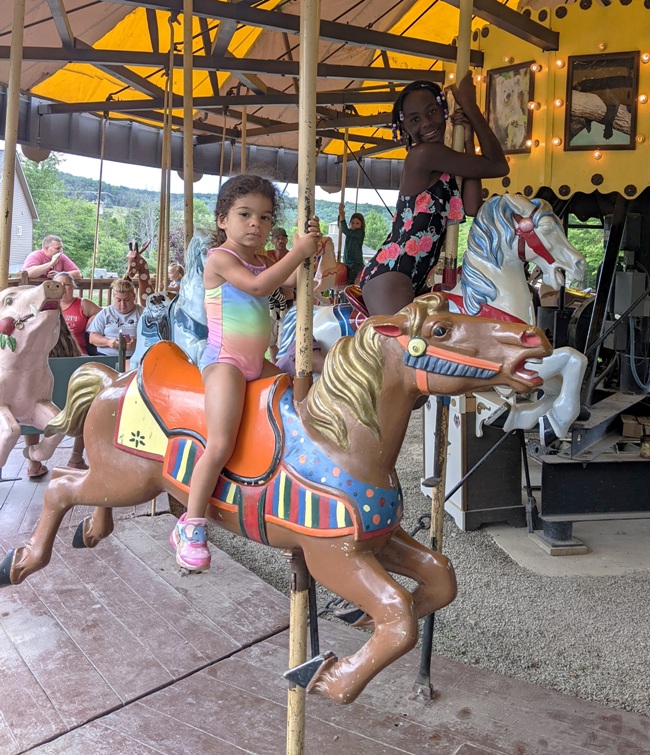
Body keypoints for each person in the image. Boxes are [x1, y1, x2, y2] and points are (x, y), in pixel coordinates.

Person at [170, 174, 321, 572]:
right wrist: (299, 251)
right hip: (226, 362)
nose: (257, 224)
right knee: (219, 443)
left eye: (266, 217)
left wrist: (314, 252)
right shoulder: (220, 258)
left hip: (258, 361)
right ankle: (192, 523)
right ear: (222, 220)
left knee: (297, 405)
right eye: (245, 214)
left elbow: (289, 284)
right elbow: (257, 288)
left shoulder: (264, 260)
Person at [359, 73, 509, 316]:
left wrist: (469, 137)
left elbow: (472, 207)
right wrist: (471, 107)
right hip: (392, 274)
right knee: (403, 353)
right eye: (415, 119)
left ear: (444, 111)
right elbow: (498, 166)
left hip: (412, 277)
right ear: (404, 127)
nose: (427, 124)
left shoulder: (442, 162)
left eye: (432, 112)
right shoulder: (424, 155)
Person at [24, 313, 88, 477]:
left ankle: (33, 463)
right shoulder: (73, 352)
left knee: (31, 403)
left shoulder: (30, 356)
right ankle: (76, 457)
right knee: (84, 403)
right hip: (71, 409)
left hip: (40, 409)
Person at [87, 277, 143, 358]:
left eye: (126, 300)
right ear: (114, 298)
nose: (123, 304)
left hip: (135, 357)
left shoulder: (143, 313)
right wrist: (108, 342)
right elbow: (92, 338)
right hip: (106, 356)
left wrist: (137, 343)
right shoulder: (105, 313)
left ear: (134, 297)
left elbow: (153, 338)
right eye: (119, 300)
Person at [53, 272, 101, 354]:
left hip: (77, 351)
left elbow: (105, 314)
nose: (62, 287)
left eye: (66, 284)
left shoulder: (83, 304)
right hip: (54, 352)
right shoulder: (48, 305)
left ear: (73, 287)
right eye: (58, 285)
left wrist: (93, 319)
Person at [338, 207, 366, 285]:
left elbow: (345, 230)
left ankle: (350, 288)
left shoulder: (360, 233)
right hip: (347, 260)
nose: (354, 225)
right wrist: (340, 216)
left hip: (355, 262)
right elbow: (342, 228)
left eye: (357, 223)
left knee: (350, 281)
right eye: (352, 223)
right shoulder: (350, 232)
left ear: (361, 225)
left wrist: (342, 217)